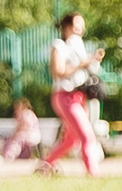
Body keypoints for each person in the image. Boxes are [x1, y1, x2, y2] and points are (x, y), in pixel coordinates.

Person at [37, 14, 104, 176]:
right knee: (87, 136)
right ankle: (93, 173)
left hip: (79, 97)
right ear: (67, 27)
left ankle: (45, 164)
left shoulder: (78, 47)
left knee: (71, 140)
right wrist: (82, 63)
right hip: (65, 97)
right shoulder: (59, 46)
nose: (81, 28)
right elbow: (58, 72)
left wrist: (92, 61)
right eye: (77, 23)